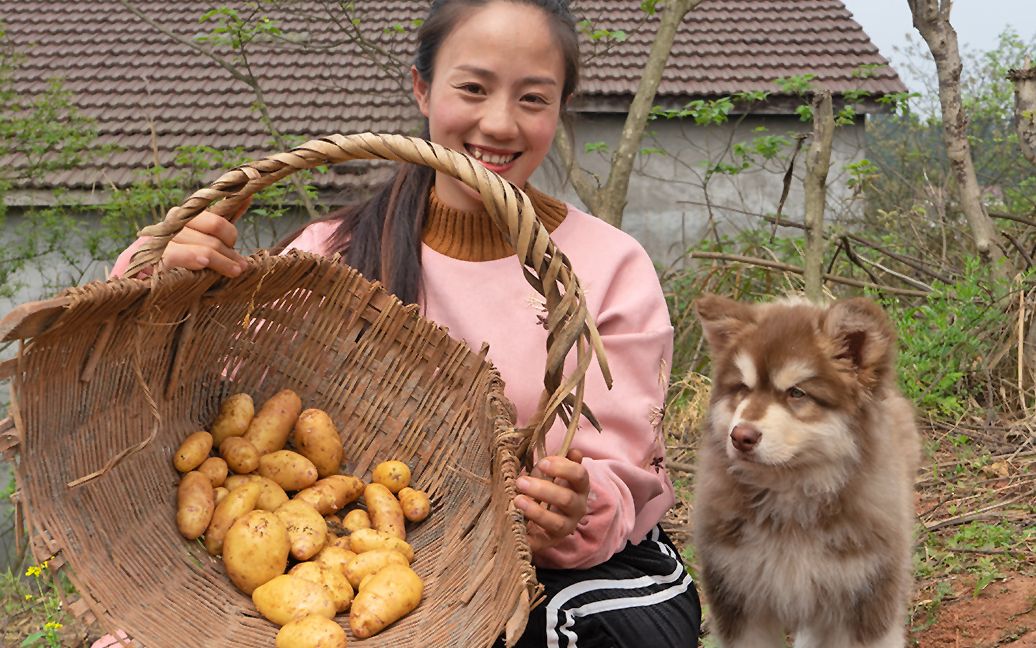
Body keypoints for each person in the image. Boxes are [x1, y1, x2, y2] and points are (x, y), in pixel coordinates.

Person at [106, 1, 701, 646]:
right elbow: (199, 396)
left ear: (560, 108)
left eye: (533, 98)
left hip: (554, 570)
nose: (499, 123)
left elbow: (623, 464)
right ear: (422, 87)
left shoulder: (608, 265)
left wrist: (580, 507)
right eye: (472, 88)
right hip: (361, 566)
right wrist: (155, 281)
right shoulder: (331, 252)